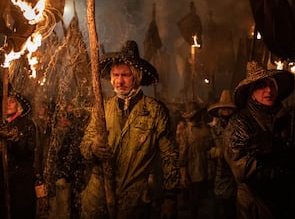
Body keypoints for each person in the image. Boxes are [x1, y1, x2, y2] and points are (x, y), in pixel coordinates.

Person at [79, 40, 180, 218]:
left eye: (125, 75)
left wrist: (170, 197)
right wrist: (93, 148)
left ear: (136, 76)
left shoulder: (154, 110)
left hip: (133, 200)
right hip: (98, 197)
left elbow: (169, 156)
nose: (119, 81)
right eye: (116, 75)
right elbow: (85, 144)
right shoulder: (102, 109)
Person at [222, 60, 295, 218]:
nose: (268, 90)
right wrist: (280, 169)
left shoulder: (287, 119)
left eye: (272, 85)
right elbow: (242, 169)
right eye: (261, 86)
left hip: (287, 203)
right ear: (251, 92)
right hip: (254, 205)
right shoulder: (240, 122)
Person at [0, 91, 36, 219]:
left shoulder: (27, 124)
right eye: (5, 101)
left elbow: (28, 150)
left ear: (18, 106)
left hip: (21, 182)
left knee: (20, 212)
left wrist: (15, 138)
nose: (8, 104)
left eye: (12, 101)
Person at [179, 100, 215, 219]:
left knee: (208, 200)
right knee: (195, 201)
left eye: (194, 116)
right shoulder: (185, 133)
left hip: (207, 169)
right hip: (194, 171)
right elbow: (183, 156)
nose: (192, 119)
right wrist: (183, 175)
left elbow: (211, 147)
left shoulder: (207, 130)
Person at [207, 89, 237, 219]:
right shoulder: (213, 130)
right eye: (223, 109)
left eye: (228, 109)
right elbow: (207, 151)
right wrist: (216, 152)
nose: (226, 112)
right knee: (217, 207)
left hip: (235, 174)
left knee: (232, 209)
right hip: (217, 174)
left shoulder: (238, 128)